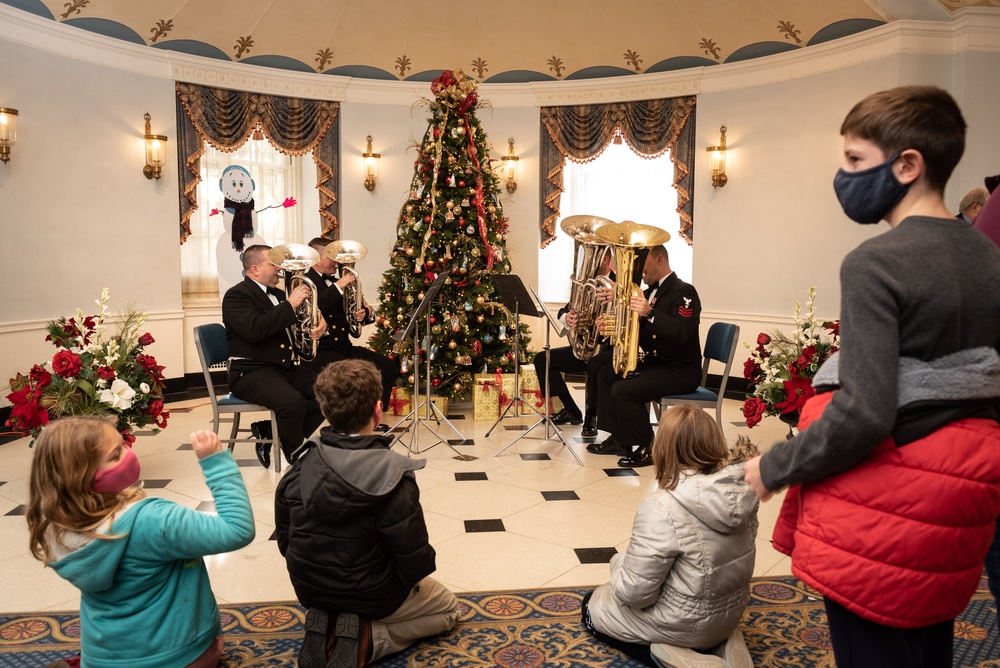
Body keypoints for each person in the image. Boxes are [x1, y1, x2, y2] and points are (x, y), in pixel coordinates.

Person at [743, 86, 1000, 668]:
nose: (845, 175)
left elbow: (864, 410)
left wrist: (771, 468)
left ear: (907, 164)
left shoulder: (875, 262)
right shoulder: (987, 257)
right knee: (927, 640)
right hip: (963, 487)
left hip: (887, 498)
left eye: (855, 161)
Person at [26, 417, 255, 668]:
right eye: (116, 455)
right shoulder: (153, 519)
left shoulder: (54, 526)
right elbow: (237, 528)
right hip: (178, 657)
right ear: (82, 477)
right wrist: (216, 462)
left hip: (101, 660)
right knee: (216, 641)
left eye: (124, 444)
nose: (128, 454)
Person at [275, 359, 460, 668]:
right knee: (449, 609)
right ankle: (371, 638)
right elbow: (414, 561)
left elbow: (285, 541)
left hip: (310, 589)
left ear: (324, 412)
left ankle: (328, 622)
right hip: (374, 595)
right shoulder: (392, 472)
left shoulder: (302, 465)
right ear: (378, 410)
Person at [581, 406, 757, 667]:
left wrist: (618, 563)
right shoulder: (742, 490)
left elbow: (635, 594)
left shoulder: (662, 505)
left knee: (591, 607)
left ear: (663, 448)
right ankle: (725, 642)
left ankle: (674, 655)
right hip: (729, 614)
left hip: (682, 622)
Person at [591, 244, 702, 467]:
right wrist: (612, 327)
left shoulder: (684, 291)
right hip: (657, 364)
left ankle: (647, 446)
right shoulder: (651, 292)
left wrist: (649, 313)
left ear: (659, 260)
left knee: (623, 390)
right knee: (605, 374)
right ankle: (619, 438)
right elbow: (639, 331)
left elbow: (682, 332)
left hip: (680, 369)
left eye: (644, 263)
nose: (640, 270)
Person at [222, 244, 327, 467]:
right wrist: (290, 304)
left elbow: (299, 322)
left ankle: (270, 429)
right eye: (273, 263)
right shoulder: (236, 295)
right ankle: (298, 459)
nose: (280, 268)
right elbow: (255, 330)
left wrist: (319, 323)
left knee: (330, 390)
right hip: (249, 372)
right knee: (292, 402)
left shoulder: (279, 294)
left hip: (281, 368)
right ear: (255, 269)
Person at [303, 237, 398, 430]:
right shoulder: (306, 281)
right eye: (332, 257)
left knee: (388, 367)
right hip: (321, 350)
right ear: (317, 259)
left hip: (343, 346)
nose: (336, 262)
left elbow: (355, 312)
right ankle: (346, 422)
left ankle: (373, 419)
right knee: (349, 377)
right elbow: (315, 305)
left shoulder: (340, 281)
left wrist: (365, 313)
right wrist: (339, 285)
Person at [533, 251, 614, 435]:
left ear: (606, 260)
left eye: (595, 258)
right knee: (542, 359)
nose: (589, 264)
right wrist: (566, 317)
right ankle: (571, 409)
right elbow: (565, 309)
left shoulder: (619, 285)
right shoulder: (586, 285)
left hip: (608, 351)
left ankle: (591, 417)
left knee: (595, 365)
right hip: (585, 348)